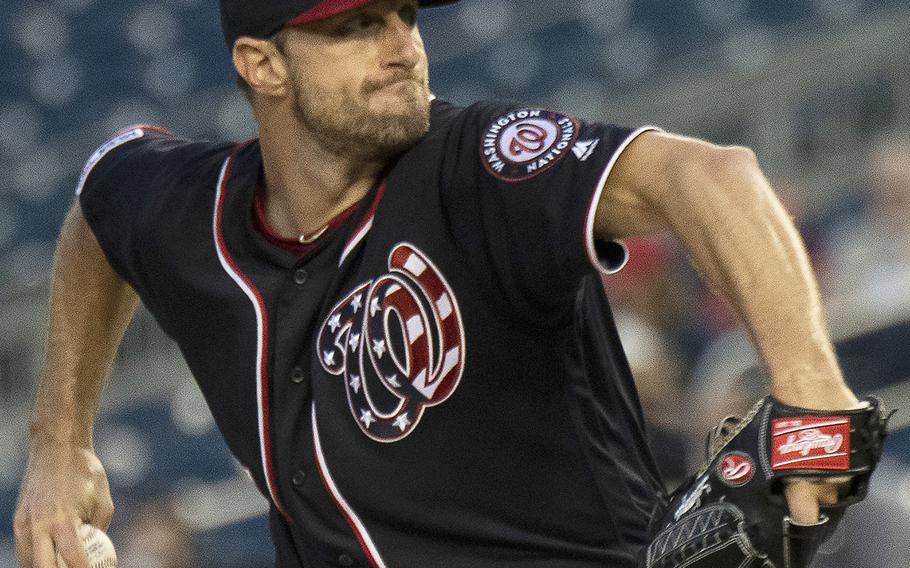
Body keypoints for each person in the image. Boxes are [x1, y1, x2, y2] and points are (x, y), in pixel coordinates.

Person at [14, 1, 864, 567]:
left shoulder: (478, 166)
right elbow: (102, 197)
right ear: (261, 64)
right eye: (356, 26)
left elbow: (710, 176)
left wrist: (811, 387)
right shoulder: (190, 211)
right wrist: (60, 442)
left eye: (405, 16)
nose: (402, 49)